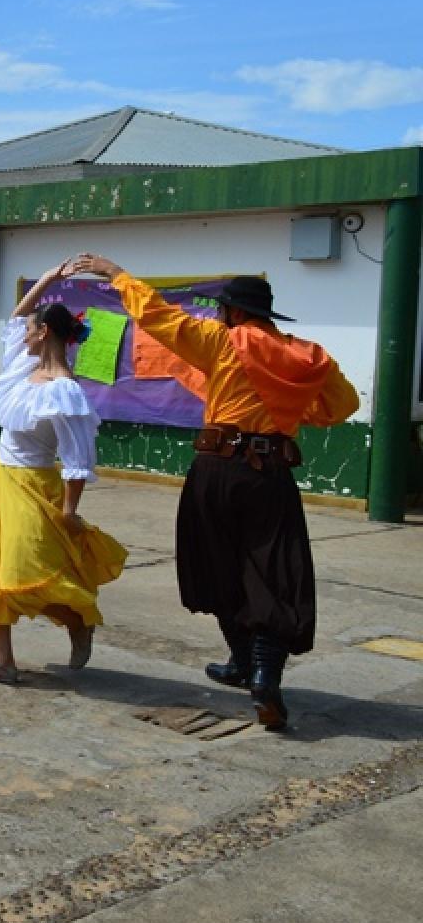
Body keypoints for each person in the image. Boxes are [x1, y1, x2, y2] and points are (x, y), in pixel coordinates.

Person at [73, 255, 359, 730]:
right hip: (270, 472)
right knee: (272, 570)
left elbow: (160, 318)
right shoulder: (311, 357)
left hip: (216, 468)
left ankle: (241, 659)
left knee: (216, 562)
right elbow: (342, 404)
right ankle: (263, 671)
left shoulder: (220, 342)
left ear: (234, 313)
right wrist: (289, 415)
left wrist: (117, 275)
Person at [0, 261, 128, 682]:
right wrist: (48, 281)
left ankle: (78, 621)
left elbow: (78, 459)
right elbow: (14, 320)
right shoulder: (24, 370)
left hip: (34, 486)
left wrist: (69, 509)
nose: (24, 333)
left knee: (32, 572)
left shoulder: (64, 390)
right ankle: (2, 659)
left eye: (32, 329)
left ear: (45, 333)